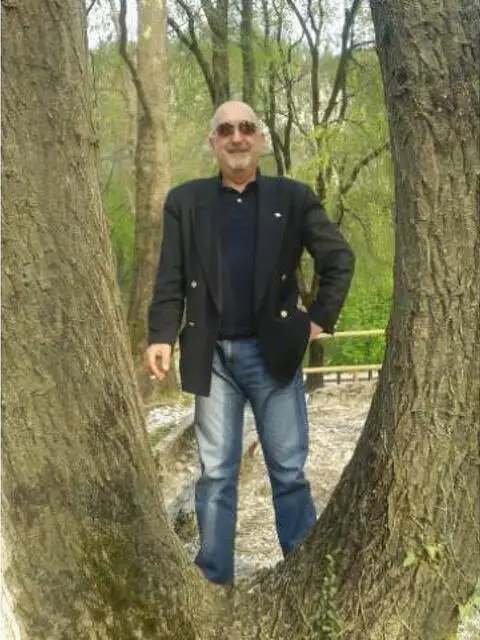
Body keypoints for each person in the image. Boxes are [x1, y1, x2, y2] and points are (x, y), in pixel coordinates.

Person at [145, 101, 355, 585]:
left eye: (246, 128)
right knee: (216, 472)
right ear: (212, 142)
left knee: (287, 469)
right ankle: (214, 578)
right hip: (211, 355)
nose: (236, 137)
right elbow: (170, 276)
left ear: (260, 139)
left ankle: (303, 575)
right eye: (225, 130)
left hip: (273, 354)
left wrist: (317, 320)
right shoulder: (185, 202)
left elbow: (339, 258)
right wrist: (160, 335)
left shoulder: (293, 197)